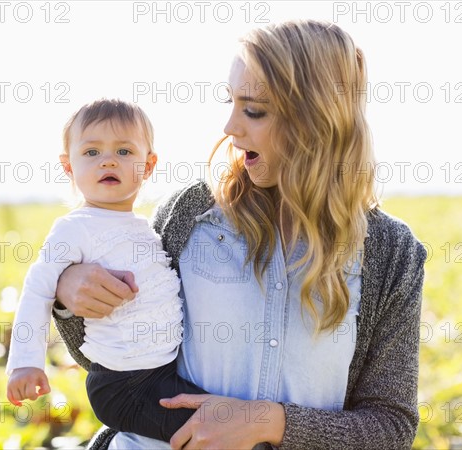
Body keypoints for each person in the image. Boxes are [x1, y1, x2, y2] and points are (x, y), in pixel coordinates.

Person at [53, 20, 427, 450]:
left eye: (254, 110)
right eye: (231, 102)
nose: (230, 127)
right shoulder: (188, 215)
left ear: (319, 120)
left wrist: (270, 423)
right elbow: (117, 366)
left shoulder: (391, 252)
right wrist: (69, 295)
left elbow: (390, 426)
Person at [5, 99, 208, 442]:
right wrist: (25, 362)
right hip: (122, 384)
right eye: (92, 152)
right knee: (209, 433)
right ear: (69, 166)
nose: (109, 160)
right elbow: (37, 289)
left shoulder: (143, 228)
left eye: (125, 152)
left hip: (161, 372)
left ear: (149, 165)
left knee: (223, 420)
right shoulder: (75, 229)